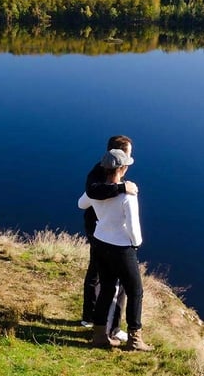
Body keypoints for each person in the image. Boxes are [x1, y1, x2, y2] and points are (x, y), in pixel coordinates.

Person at [78, 148, 153, 351]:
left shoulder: (95, 191)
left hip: (100, 243)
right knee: (135, 291)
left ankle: (100, 336)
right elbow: (134, 228)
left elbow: (81, 203)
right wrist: (136, 243)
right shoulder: (128, 195)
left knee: (107, 288)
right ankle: (134, 339)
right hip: (122, 248)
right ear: (122, 168)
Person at [81, 135, 138, 343]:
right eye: (129, 154)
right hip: (103, 233)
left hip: (100, 231)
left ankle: (98, 322)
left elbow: (83, 201)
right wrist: (122, 188)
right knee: (116, 284)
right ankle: (102, 323)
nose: (132, 158)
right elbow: (92, 192)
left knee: (101, 278)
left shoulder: (105, 169)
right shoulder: (99, 172)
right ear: (120, 155)